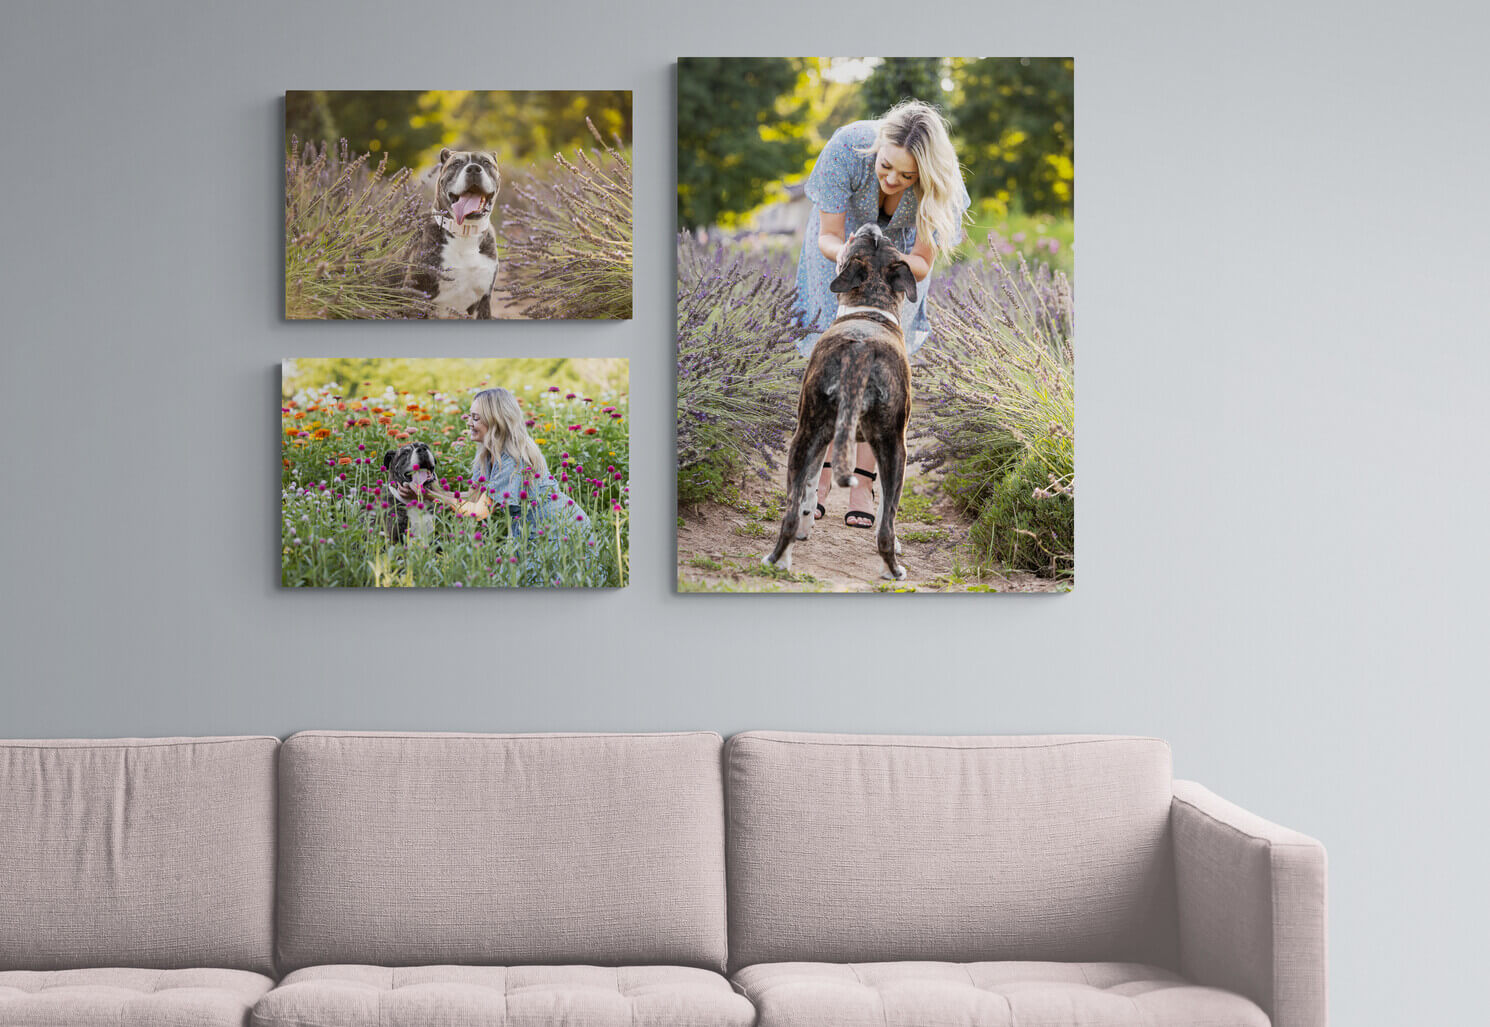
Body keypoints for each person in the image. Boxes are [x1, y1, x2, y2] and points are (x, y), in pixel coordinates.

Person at [793, 98, 971, 528]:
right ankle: (817, 481)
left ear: (925, 174)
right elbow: (829, 235)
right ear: (878, 146)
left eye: (907, 176)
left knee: (882, 371)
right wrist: (849, 257)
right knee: (829, 362)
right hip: (840, 253)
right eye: (886, 166)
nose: (892, 180)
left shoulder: (940, 184)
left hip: (900, 262)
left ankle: (863, 486)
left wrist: (890, 266)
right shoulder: (846, 148)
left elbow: (922, 261)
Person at [404, 387, 592, 541]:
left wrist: (429, 496)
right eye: (470, 416)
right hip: (534, 530)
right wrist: (431, 490)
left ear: (496, 421)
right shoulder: (487, 453)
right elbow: (473, 497)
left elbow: (479, 511)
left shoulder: (513, 457)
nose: (469, 423)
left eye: (475, 418)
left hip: (561, 532)